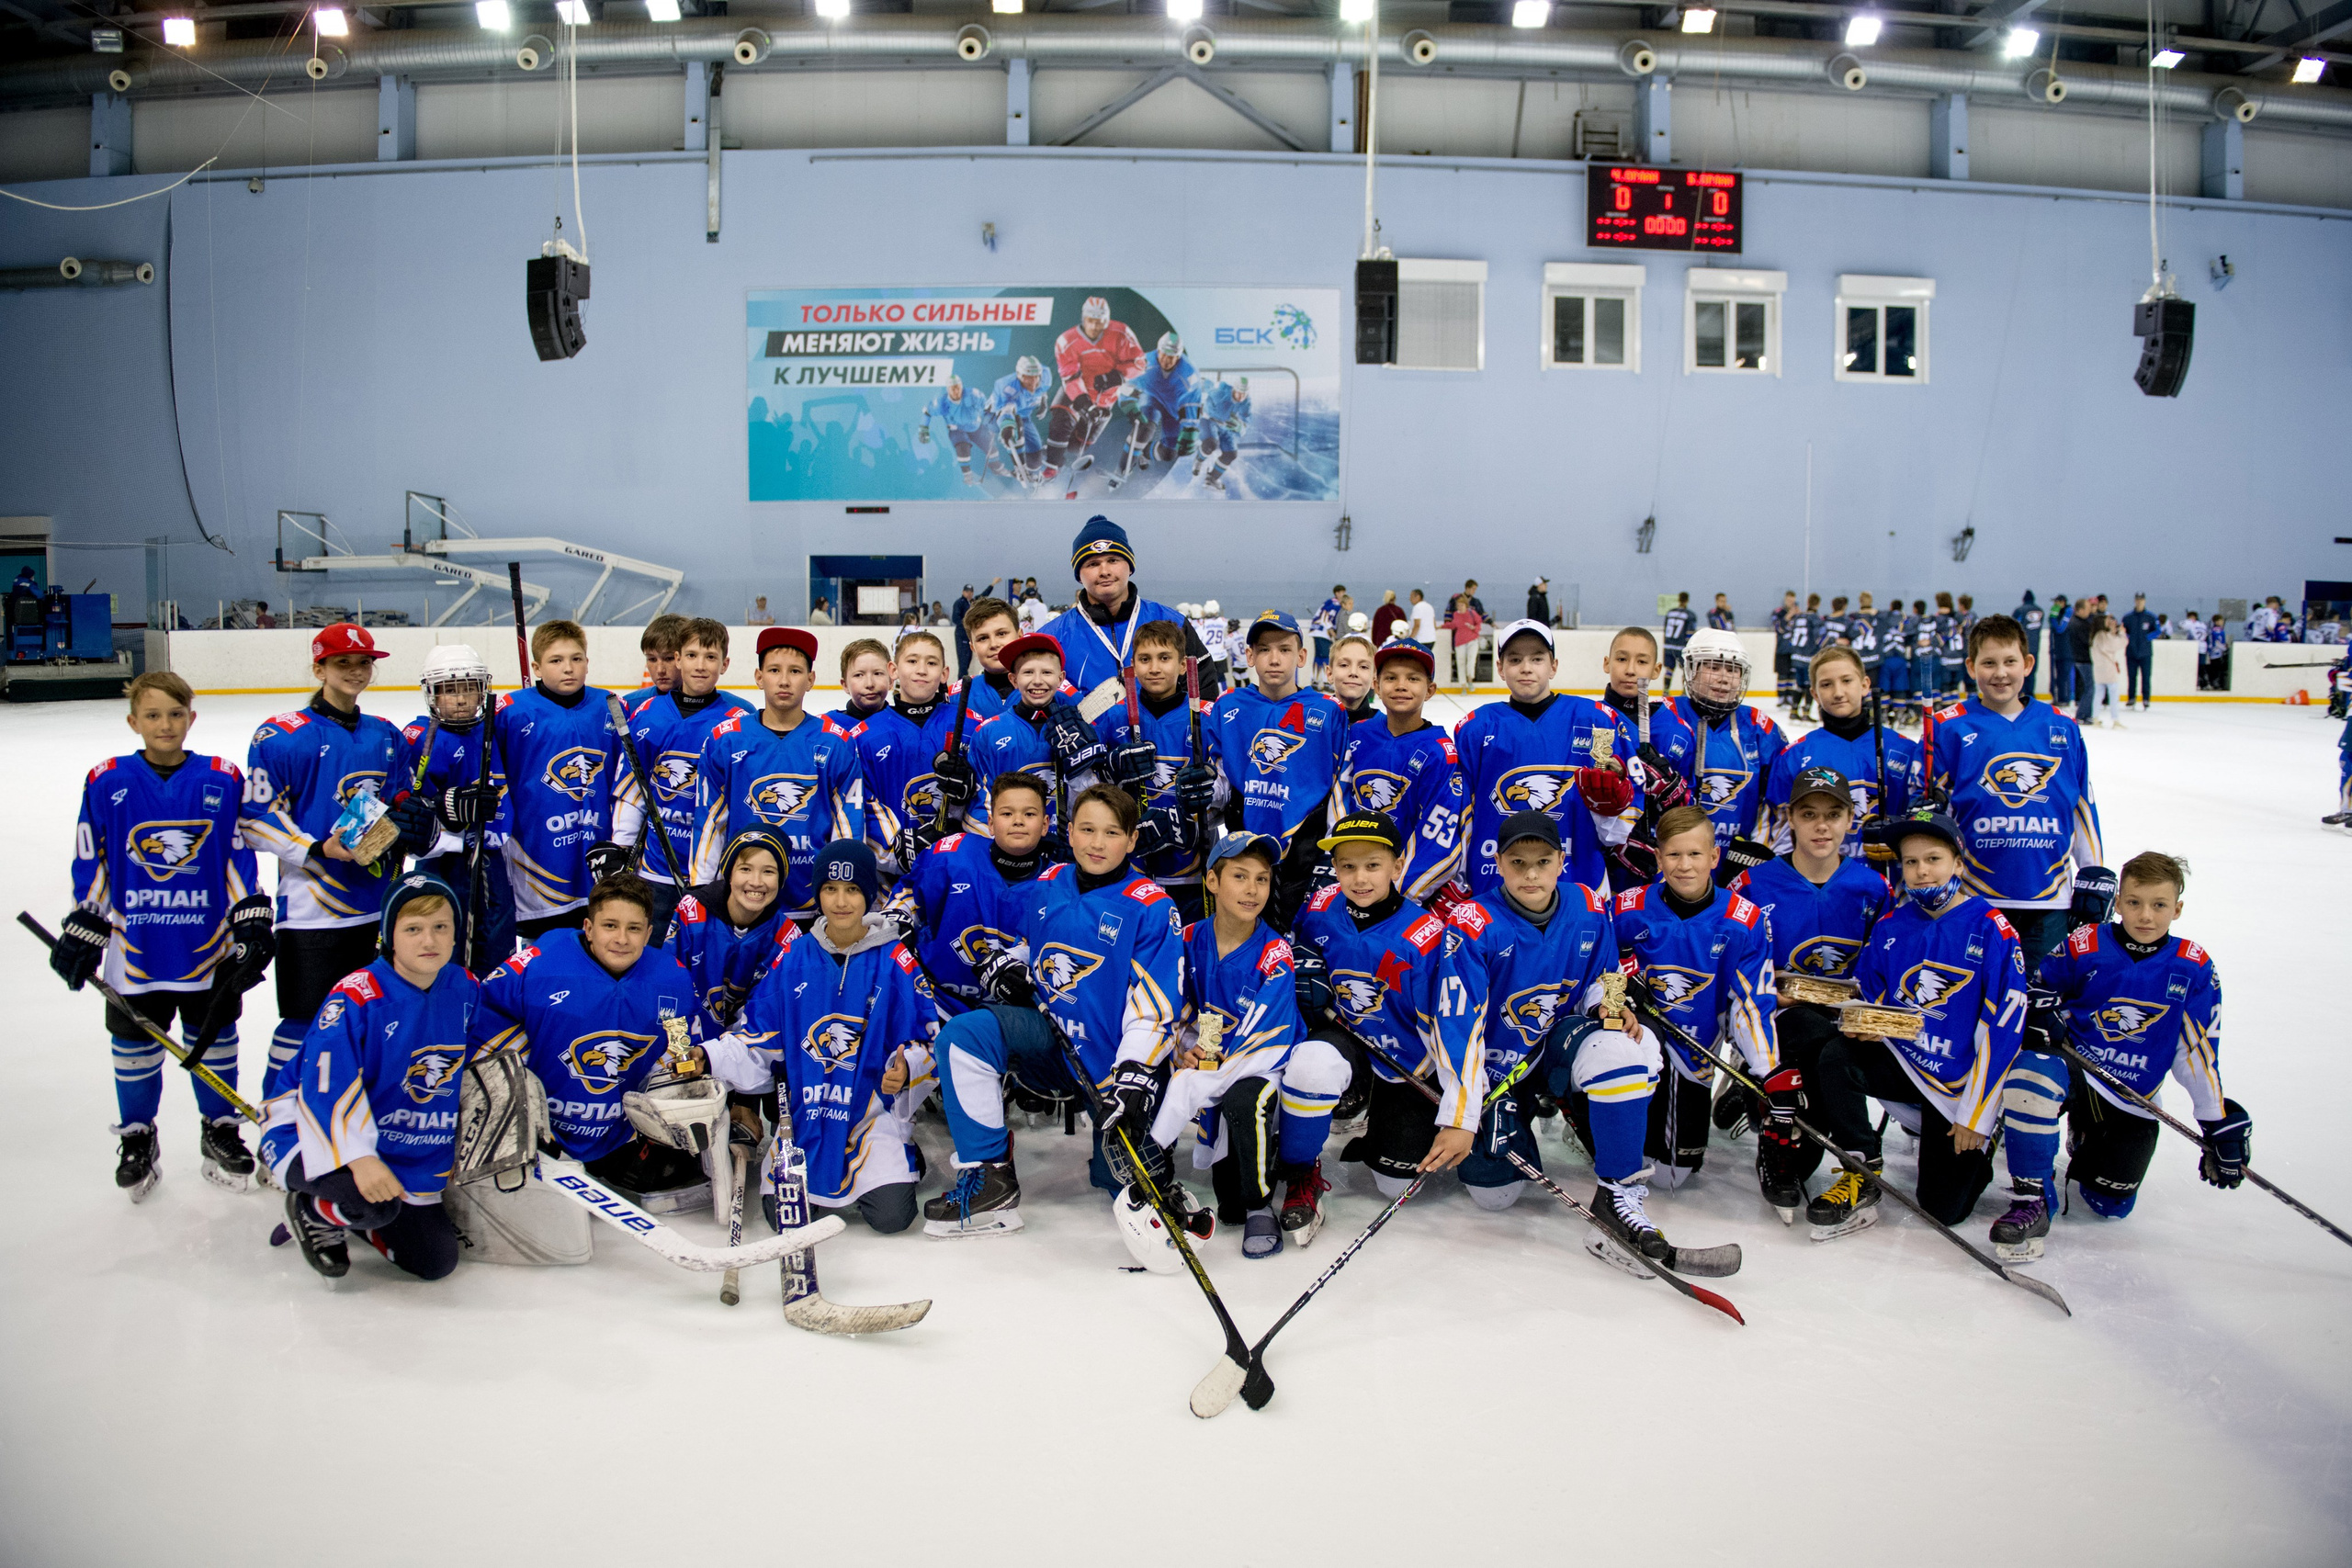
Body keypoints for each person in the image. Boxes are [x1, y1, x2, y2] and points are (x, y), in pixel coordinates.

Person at [922, 784, 1189, 1238]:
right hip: (1052, 1039)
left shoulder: (1151, 907)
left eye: (1111, 833)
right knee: (964, 1037)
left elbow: (1155, 1009)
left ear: (1131, 840)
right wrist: (1009, 963)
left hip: (1115, 1069)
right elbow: (1036, 946)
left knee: (1125, 1186)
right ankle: (990, 1178)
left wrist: (1134, 1075)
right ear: (1069, 833)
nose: (1097, 843)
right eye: (1087, 830)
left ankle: (1151, 1169)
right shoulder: (1050, 881)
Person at [53, 671, 271, 1197]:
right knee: (133, 1046)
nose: (166, 724)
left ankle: (219, 1129)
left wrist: (249, 914)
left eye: (176, 714)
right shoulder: (106, 779)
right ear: (134, 722)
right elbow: (92, 854)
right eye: (152, 715)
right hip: (136, 946)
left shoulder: (221, 777)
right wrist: (87, 920)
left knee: (214, 1038)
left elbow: (234, 854)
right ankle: (138, 1136)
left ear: (192, 718)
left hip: (207, 943)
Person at [1990, 849, 2243, 1259]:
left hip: (2131, 1096)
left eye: (2159, 905)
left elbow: (2196, 1051)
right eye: (2134, 903)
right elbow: (2036, 989)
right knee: (2031, 1076)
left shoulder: (2193, 966)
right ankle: (2032, 1199)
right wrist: (2043, 1010)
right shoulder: (2085, 942)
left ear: (2177, 909)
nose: (2146, 916)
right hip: (2075, 1067)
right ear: (2119, 903)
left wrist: (2215, 1119)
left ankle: (2084, 1136)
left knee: (2110, 1205)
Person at [1443, 812, 1668, 1259]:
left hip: (1555, 1046)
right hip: (1496, 1071)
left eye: (1543, 862)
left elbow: (1606, 973)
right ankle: (1542, 1117)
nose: (1531, 874)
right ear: (1498, 863)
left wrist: (1612, 1003)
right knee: (1495, 1196)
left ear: (1561, 861)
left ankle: (1617, 1194)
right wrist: (1464, 1115)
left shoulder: (1588, 904)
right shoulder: (1471, 922)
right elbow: (1458, 1024)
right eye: (1518, 862)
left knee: (1631, 1048)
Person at [1805, 809, 2026, 1235]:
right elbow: (1869, 994)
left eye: (1933, 859)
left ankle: (1983, 1138)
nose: (1921, 871)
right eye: (1910, 862)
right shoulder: (1892, 924)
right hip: (1906, 1064)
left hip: (1958, 1087)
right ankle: (1861, 1165)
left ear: (1958, 863)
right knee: (1837, 1056)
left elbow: (2005, 1028)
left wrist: (1976, 1115)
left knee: (1943, 1209)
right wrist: (1862, 1023)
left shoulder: (1992, 929)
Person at [706, 840, 937, 1235]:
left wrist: (907, 1069)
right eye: (830, 889)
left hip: (869, 1119)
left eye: (853, 890)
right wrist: (707, 1056)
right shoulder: (793, 957)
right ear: (817, 893)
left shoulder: (896, 961)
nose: (841, 901)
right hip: (805, 1119)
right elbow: (758, 1037)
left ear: (869, 894)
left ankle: (902, 1157)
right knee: (785, 1220)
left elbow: (927, 1040)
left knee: (892, 1219)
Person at [262, 873, 476, 1281]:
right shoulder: (356, 996)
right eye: (413, 929)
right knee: (369, 1203)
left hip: (405, 1137)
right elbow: (325, 1087)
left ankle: (359, 1219)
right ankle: (311, 1210)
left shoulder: (464, 987)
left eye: (440, 927)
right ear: (389, 935)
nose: (428, 940)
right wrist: (359, 1159)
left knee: (435, 1261)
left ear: (455, 934)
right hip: (306, 1127)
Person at [1149, 833, 1351, 1256]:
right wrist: (1184, 1045)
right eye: (1239, 876)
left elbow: (1267, 1033)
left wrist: (1210, 1071)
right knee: (1229, 1204)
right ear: (1211, 881)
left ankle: (1262, 1205)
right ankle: (1162, 1170)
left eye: (1261, 879)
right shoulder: (1188, 939)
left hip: (1266, 1063)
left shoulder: (1275, 951)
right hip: (1214, 1057)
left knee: (1247, 1100)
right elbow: (1171, 1002)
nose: (1252, 889)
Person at [470, 874, 718, 1201]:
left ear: (648, 933)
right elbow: (483, 1016)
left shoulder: (673, 980)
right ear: (588, 928)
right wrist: (512, 1107)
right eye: (610, 926)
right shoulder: (542, 962)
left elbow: (684, 1049)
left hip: (622, 1134)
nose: (621, 939)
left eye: (633, 928)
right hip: (539, 1129)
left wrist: (680, 1078)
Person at [240, 623, 405, 1099]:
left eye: (364, 662)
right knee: (303, 1021)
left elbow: (397, 804)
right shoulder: (281, 736)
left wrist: (409, 821)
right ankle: (278, 1113)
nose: (356, 671)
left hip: (377, 907)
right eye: (342, 663)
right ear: (319, 669)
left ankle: (348, 1111)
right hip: (311, 910)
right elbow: (254, 819)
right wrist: (316, 848)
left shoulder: (386, 734)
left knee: (369, 1018)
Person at [1727, 767, 1893, 1217]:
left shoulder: (1873, 888)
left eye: (1833, 815)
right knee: (1814, 1035)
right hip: (1780, 1016)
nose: (1822, 826)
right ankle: (1778, 1125)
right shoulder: (1753, 885)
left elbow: (1887, 963)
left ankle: (1856, 1156)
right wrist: (1769, 992)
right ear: (1790, 818)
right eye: (1809, 814)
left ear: (1850, 820)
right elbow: (1731, 958)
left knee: (1834, 1047)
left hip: (1846, 1021)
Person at [1292, 812, 1482, 1200]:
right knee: (1310, 1066)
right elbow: (1299, 946)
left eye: (1373, 866)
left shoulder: (1425, 938)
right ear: (1334, 868)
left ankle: (1385, 1116)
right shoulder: (1320, 906)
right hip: (1346, 1035)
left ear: (1397, 867)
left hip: (1407, 1062)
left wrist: (1461, 1114)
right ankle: (1300, 1166)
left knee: (1394, 1185)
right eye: (1348, 867)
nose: (1360, 878)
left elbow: (1453, 1025)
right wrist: (1302, 963)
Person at [1916, 613, 2104, 971]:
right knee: (1976, 991)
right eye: (1989, 663)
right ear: (1971, 666)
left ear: (2028, 664)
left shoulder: (2061, 726)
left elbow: (2081, 804)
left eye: (2010, 662)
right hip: (1973, 895)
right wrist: (1925, 812)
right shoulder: (1947, 728)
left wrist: (2093, 871)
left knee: (2041, 997)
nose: (2000, 673)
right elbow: (1925, 811)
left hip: (2049, 898)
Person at [1610, 807, 1777, 1193]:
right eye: (1673, 854)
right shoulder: (1627, 909)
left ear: (1714, 856)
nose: (1684, 865)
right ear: (1658, 857)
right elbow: (1600, 967)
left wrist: (1766, 1071)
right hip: (1637, 1038)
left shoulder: (1744, 920)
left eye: (1695, 854)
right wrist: (1621, 985)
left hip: (1696, 1053)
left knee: (1674, 1173)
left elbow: (1753, 1001)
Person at [690, 626, 865, 923]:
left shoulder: (837, 743)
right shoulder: (725, 740)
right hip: (742, 901)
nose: (784, 681)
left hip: (813, 905)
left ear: (810, 680)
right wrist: (701, 891)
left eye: (795, 671)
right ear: (759, 677)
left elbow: (847, 828)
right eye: (774, 670)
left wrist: (841, 894)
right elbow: (709, 821)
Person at [1455, 619, 1637, 901]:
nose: (1526, 668)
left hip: (1579, 879)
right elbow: (1461, 812)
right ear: (1500, 668)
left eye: (1537, 659)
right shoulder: (1475, 728)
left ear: (1553, 666)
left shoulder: (1596, 720)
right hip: (1493, 879)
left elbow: (1627, 809)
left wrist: (1613, 812)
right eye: (1515, 659)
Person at [1206, 611, 1350, 932]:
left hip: (1307, 855)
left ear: (1301, 656)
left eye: (1284, 649)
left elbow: (1341, 788)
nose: (1274, 659)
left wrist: (1335, 852)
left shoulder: (1328, 711)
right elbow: (1218, 783)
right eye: (1264, 649)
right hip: (1244, 854)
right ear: (1250, 656)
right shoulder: (1228, 706)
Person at [490, 619, 628, 947]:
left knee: (600, 945)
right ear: (536, 667)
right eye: (556, 660)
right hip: (537, 858)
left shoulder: (610, 705)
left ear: (587, 662)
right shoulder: (511, 713)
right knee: (544, 951)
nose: (568, 668)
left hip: (598, 853)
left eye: (576, 658)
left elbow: (627, 777)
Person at [611, 618, 752, 938]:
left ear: (724, 664)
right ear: (678, 659)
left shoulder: (740, 723)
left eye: (710, 657)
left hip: (716, 873)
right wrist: (621, 847)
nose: (700, 665)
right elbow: (633, 789)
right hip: (656, 869)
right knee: (652, 953)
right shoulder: (648, 713)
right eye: (691, 656)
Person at [883, 771, 1056, 1015]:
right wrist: (900, 916)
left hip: (1010, 1014)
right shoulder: (953, 857)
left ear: (1045, 824)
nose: (1018, 821)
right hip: (935, 999)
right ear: (991, 823)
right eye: (1007, 814)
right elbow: (911, 892)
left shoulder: (1058, 886)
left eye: (1029, 814)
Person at [389, 644, 513, 975]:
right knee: (445, 944)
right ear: (432, 694)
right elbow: (409, 807)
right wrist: (446, 807)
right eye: (449, 690)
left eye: (469, 689)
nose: (460, 699)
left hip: (493, 858)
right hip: (442, 861)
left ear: (482, 690)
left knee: (497, 943)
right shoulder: (421, 737)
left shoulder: (494, 730)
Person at [1092, 617, 1218, 918]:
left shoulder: (1207, 717)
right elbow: (1091, 786)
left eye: (1164, 658)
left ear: (1183, 665)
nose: (1154, 668)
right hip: (1131, 866)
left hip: (1192, 868)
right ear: (1132, 666)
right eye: (1145, 659)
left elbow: (1225, 789)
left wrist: (1207, 797)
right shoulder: (1114, 718)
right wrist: (1110, 770)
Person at [1035, 516, 1216, 705]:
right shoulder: (1052, 637)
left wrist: (1174, 722)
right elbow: (1031, 698)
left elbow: (1204, 688)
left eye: (1113, 560)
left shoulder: (1172, 622)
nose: (1104, 571)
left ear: (1130, 567)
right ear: (1079, 576)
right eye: (1093, 564)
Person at [1337, 639, 1465, 905]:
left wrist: (1396, 896)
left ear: (1430, 690)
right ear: (1376, 686)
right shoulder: (1357, 733)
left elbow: (1438, 838)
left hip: (1400, 890)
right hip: (1352, 876)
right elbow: (1339, 801)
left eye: (1413, 678)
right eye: (1391, 678)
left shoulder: (1439, 753)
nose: (1401, 685)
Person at [1763, 646, 1919, 858]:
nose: (1838, 693)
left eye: (1846, 681)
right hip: (1822, 874)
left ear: (1864, 685)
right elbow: (1780, 833)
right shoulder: (1795, 756)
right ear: (1814, 694)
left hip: (1891, 874)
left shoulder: (1903, 749)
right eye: (1826, 685)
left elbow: (1920, 817)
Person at [954, 632, 1112, 840]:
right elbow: (981, 803)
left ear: (1061, 678)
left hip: (1067, 846)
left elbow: (1095, 799)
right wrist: (1013, 845)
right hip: (1013, 846)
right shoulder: (988, 732)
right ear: (1014, 679)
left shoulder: (1084, 730)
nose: (1037, 681)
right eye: (1028, 672)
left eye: (1047, 672)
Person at [1664, 626, 1787, 885]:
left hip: (1737, 866)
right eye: (1713, 667)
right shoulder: (1663, 718)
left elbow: (1778, 804)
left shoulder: (1761, 730)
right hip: (1672, 864)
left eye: (1733, 670)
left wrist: (1756, 853)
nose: (1724, 679)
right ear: (1691, 669)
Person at [846, 627, 958, 874]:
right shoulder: (865, 736)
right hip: (891, 873)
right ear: (893, 670)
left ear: (944, 674)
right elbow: (862, 803)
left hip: (954, 865)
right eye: (912, 661)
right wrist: (897, 848)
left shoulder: (969, 725)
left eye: (931, 663)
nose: (921, 669)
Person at [666, 827, 789, 1027]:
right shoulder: (690, 912)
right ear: (729, 874)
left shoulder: (787, 936)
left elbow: (769, 1014)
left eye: (768, 871)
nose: (756, 882)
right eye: (745, 869)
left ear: (781, 879)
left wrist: (731, 1044)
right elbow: (668, 988)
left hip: (743, 1043)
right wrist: (680, 1042)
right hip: (686, 1037)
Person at [1045, 295, 1146, 481]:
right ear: (1083, 319)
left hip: (1105, 396)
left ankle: (1066, 463)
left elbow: (1140, 363)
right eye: (1090, 321)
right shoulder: (1066, 340)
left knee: (1078, 446)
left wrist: (1118, 375)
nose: (1093, 327)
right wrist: (1083, 401)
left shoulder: (1121, 333)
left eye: (1099, 322)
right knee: (1060, 421)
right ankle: (1051, 466)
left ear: (1106, 322)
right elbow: (1069, 376)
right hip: (1076, 390)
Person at [917, 372, 997, 487]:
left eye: (958, 388)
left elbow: (986, 407)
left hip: (975, 427)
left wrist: (991, 421)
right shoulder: (942, 402)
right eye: (952, 389)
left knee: (990, 446)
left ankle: (997, 467)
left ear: (962, 386)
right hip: (957, 430)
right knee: (962, 446)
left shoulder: (973, 394)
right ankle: (967, 474)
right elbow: (927, 412)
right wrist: (923, 429)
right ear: (948, 390)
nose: (956, 391)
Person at [1194, 373, 1251, 491]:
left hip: (1226, 427)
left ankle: (1212, 478)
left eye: (1244, 393)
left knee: (1231, 454)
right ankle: (1199, 459)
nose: (1241, 397)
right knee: (1210, 444)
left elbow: (1246, 422)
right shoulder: (1221, 392)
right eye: (1239, 392)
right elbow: (1207, 385)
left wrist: (1240, 427)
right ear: (1234, 389)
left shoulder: (1246, 402)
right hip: (1209, 420)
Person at [831, 637, 892, 731]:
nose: (869, 684)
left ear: (891, 681)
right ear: (845, 685)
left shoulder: (904, 724)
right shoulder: (828, 727)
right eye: (859, 675)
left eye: (877, 673)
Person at [2067, 592, 2103, 725]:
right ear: (2081, 610)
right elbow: (2088, 641)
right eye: (2087, 609)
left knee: (2089, 687)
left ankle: (2085, 714)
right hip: (2083, 660)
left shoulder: (2080, 622)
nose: (2090, 611)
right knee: (2090, 687)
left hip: (2082, 659)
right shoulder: (2079, 624)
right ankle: (2082, 714)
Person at [1326, 632, 1377, 721]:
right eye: (1344, 665)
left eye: (1363, 667)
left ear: (1374, 679)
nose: (1353, 672)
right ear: (1330, 674)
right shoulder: (1312, 721)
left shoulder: (1383, 725)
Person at [2121, 592, 2160, 711]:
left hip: (2145, 653)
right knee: (2131, 677)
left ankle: (2146, 699)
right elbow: (2123, 631)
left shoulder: (2151, 617)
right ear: (2135, 600)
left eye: (2141, 600)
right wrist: (2129, 638)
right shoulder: (2128, 617)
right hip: (2131, 652)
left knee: (2146, 677)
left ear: (2144, 601)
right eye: (2137, 599)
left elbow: (2157, 631)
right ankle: (2131, 698)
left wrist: (2147, 638)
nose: (2139, 602)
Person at [2089, 612, 2128, 728]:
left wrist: (2113, 632)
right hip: (2108, 670)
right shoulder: (2102, 636)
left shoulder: (2096, 636)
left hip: (2099, 670)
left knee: (2098, 694)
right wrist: (2121, 633)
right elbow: (2118, 643)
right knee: (2113, 695)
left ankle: (2095, 718)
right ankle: (2115, 719)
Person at [637, 614, 687, 696]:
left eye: (669, 658)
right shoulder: (631, 703)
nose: (660, 670)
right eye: (652, 659)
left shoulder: (711, 703)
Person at [2012, 590, 2046, 702]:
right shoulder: (2040, 611)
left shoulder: (2019, 611)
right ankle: (2030, 694)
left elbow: (2013, 626)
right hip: (2035, 646)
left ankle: (2019, 692)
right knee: (2032, 671)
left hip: (2022, 647)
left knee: (2019, 671)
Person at [1770, 590, 1800, 711]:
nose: (1791, 602)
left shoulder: (1798, 614)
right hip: (1782, 649)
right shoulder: (1778, 612)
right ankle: (1781, 697)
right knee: (1782, 674)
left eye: (1793, 600)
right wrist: (1789, 616)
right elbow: (1778, 628)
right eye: (1789, 600)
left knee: (1792, 674)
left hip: (1794, 649)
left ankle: (1790, 696)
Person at [1661, 592, 1696, 696]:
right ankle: (1685, 692)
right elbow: (1689, 633)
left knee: (1669, 669)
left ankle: (1665, 691)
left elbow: (1665, 629)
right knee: (1686, 669)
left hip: (1668, 645)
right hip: (1681, 647)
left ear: (1678, 599)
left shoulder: (1670, 613)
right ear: (1687, 600)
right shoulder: (1690, 615)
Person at [1447, 593, 1483, 694]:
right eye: (1458, 605)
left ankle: (1470, 680)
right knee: (1461, 663)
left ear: (1466, 605)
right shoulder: (1456, 614)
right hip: (1460, 641)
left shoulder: (1472, 613)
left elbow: (1479, 624)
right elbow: (1453, 625)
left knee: (1471, 660)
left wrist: (1474, 628)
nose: (1460, 607)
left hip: (1472, 640)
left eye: (1462, 605)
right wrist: (1441, 626)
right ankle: (1463, 686)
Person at [2045, 593, 2075, 707]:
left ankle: (2065, 698)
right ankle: (2059, 697)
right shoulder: (2058, 613)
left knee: (2064, 676)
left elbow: (2060, 628)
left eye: (2057, 602)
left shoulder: (2069, 611)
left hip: (2067, 650)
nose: (2055, 605)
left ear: (2063, 602)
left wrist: (2053, 617)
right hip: (2058, 650)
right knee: (2058, 676)